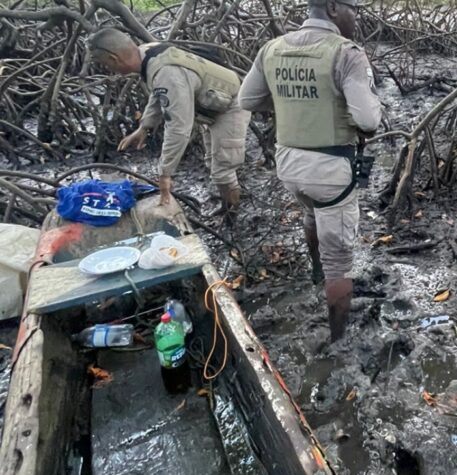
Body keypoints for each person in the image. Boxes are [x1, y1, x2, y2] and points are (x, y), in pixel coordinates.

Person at [238, 0, 381, 343]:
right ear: (333, 8)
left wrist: (293, 106)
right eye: (352, 9)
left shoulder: (272, 48)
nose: (356, 17)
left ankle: (315, 272)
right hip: (330, 171)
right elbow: (368, 121)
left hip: (289, 166)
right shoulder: (347, 53)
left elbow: (247, 99)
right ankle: (338, 341)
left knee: (310, 213)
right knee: (340, 265)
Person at [88, 28, 250, 217]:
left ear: (113, 59)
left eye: (105, 64)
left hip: (232, 104)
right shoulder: (147, 53)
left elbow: (179, 129)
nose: (109, 70)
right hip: (212, 104)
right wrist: (144, 126)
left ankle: (233, 215)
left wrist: (165, 174)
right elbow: (160, 95)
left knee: (223, 168)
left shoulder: (166, 72)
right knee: (213, 161)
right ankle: (228, 204)